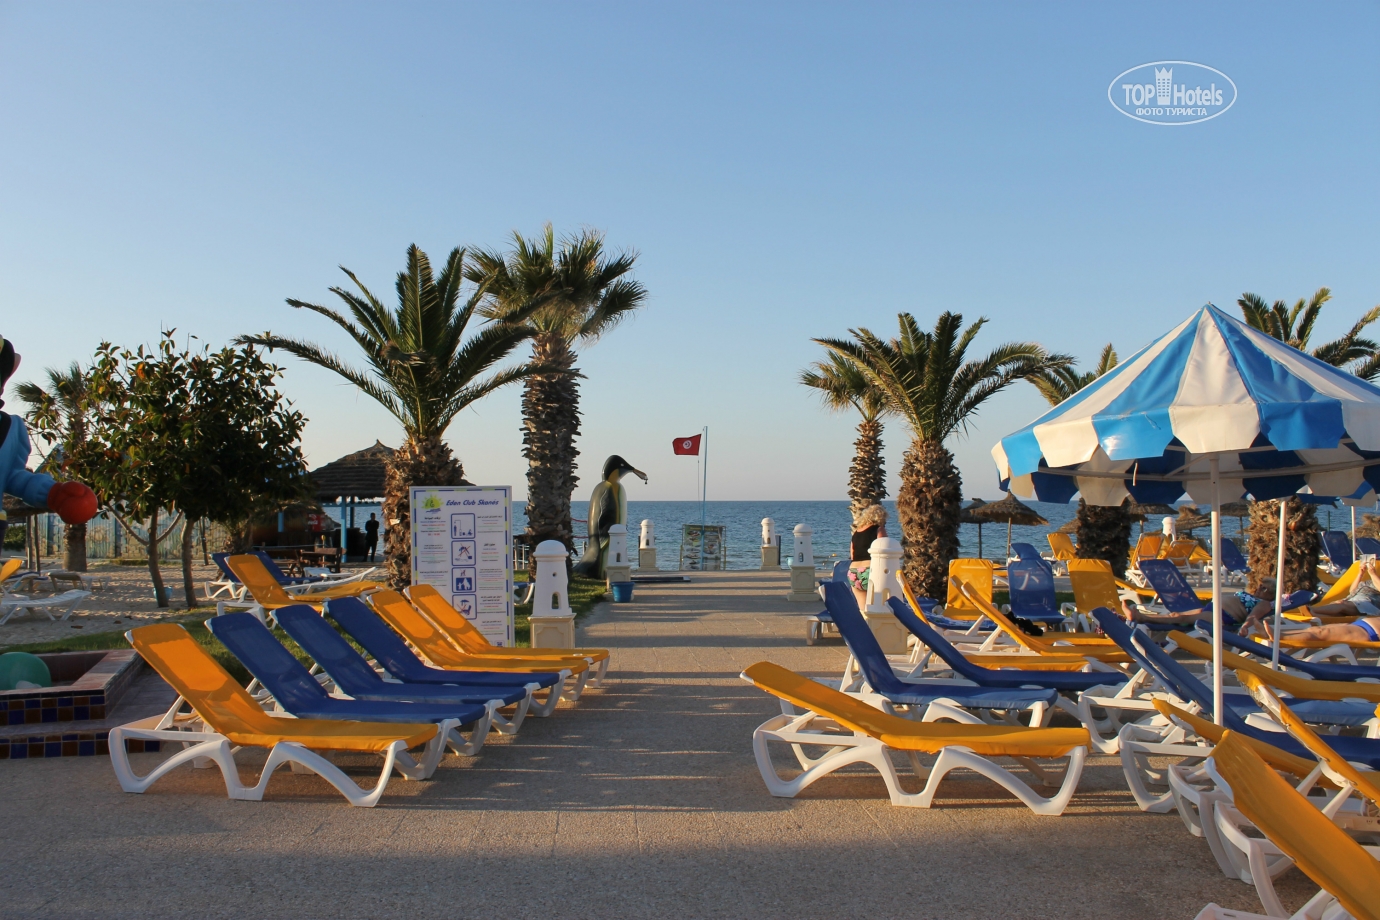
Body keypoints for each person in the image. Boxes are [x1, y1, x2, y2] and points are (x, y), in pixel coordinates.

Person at [1241, 558, 1380, 644]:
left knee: (1323, 632)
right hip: (1366, 623)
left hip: (1370, 621)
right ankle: (1278, 635)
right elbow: (1352, 591)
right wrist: (1361, 573)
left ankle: (1279, 637)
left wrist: (1373, 573)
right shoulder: (1368, 582)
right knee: (1320, 629)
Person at [847, 504, 887, 609]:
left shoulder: (856, 532)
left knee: (863, 607)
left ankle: (863, 620)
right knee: (877, 606)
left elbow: (852, 554)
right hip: (869, 570)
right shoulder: (879, 529)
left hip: (853, 571)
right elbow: (883, 550)